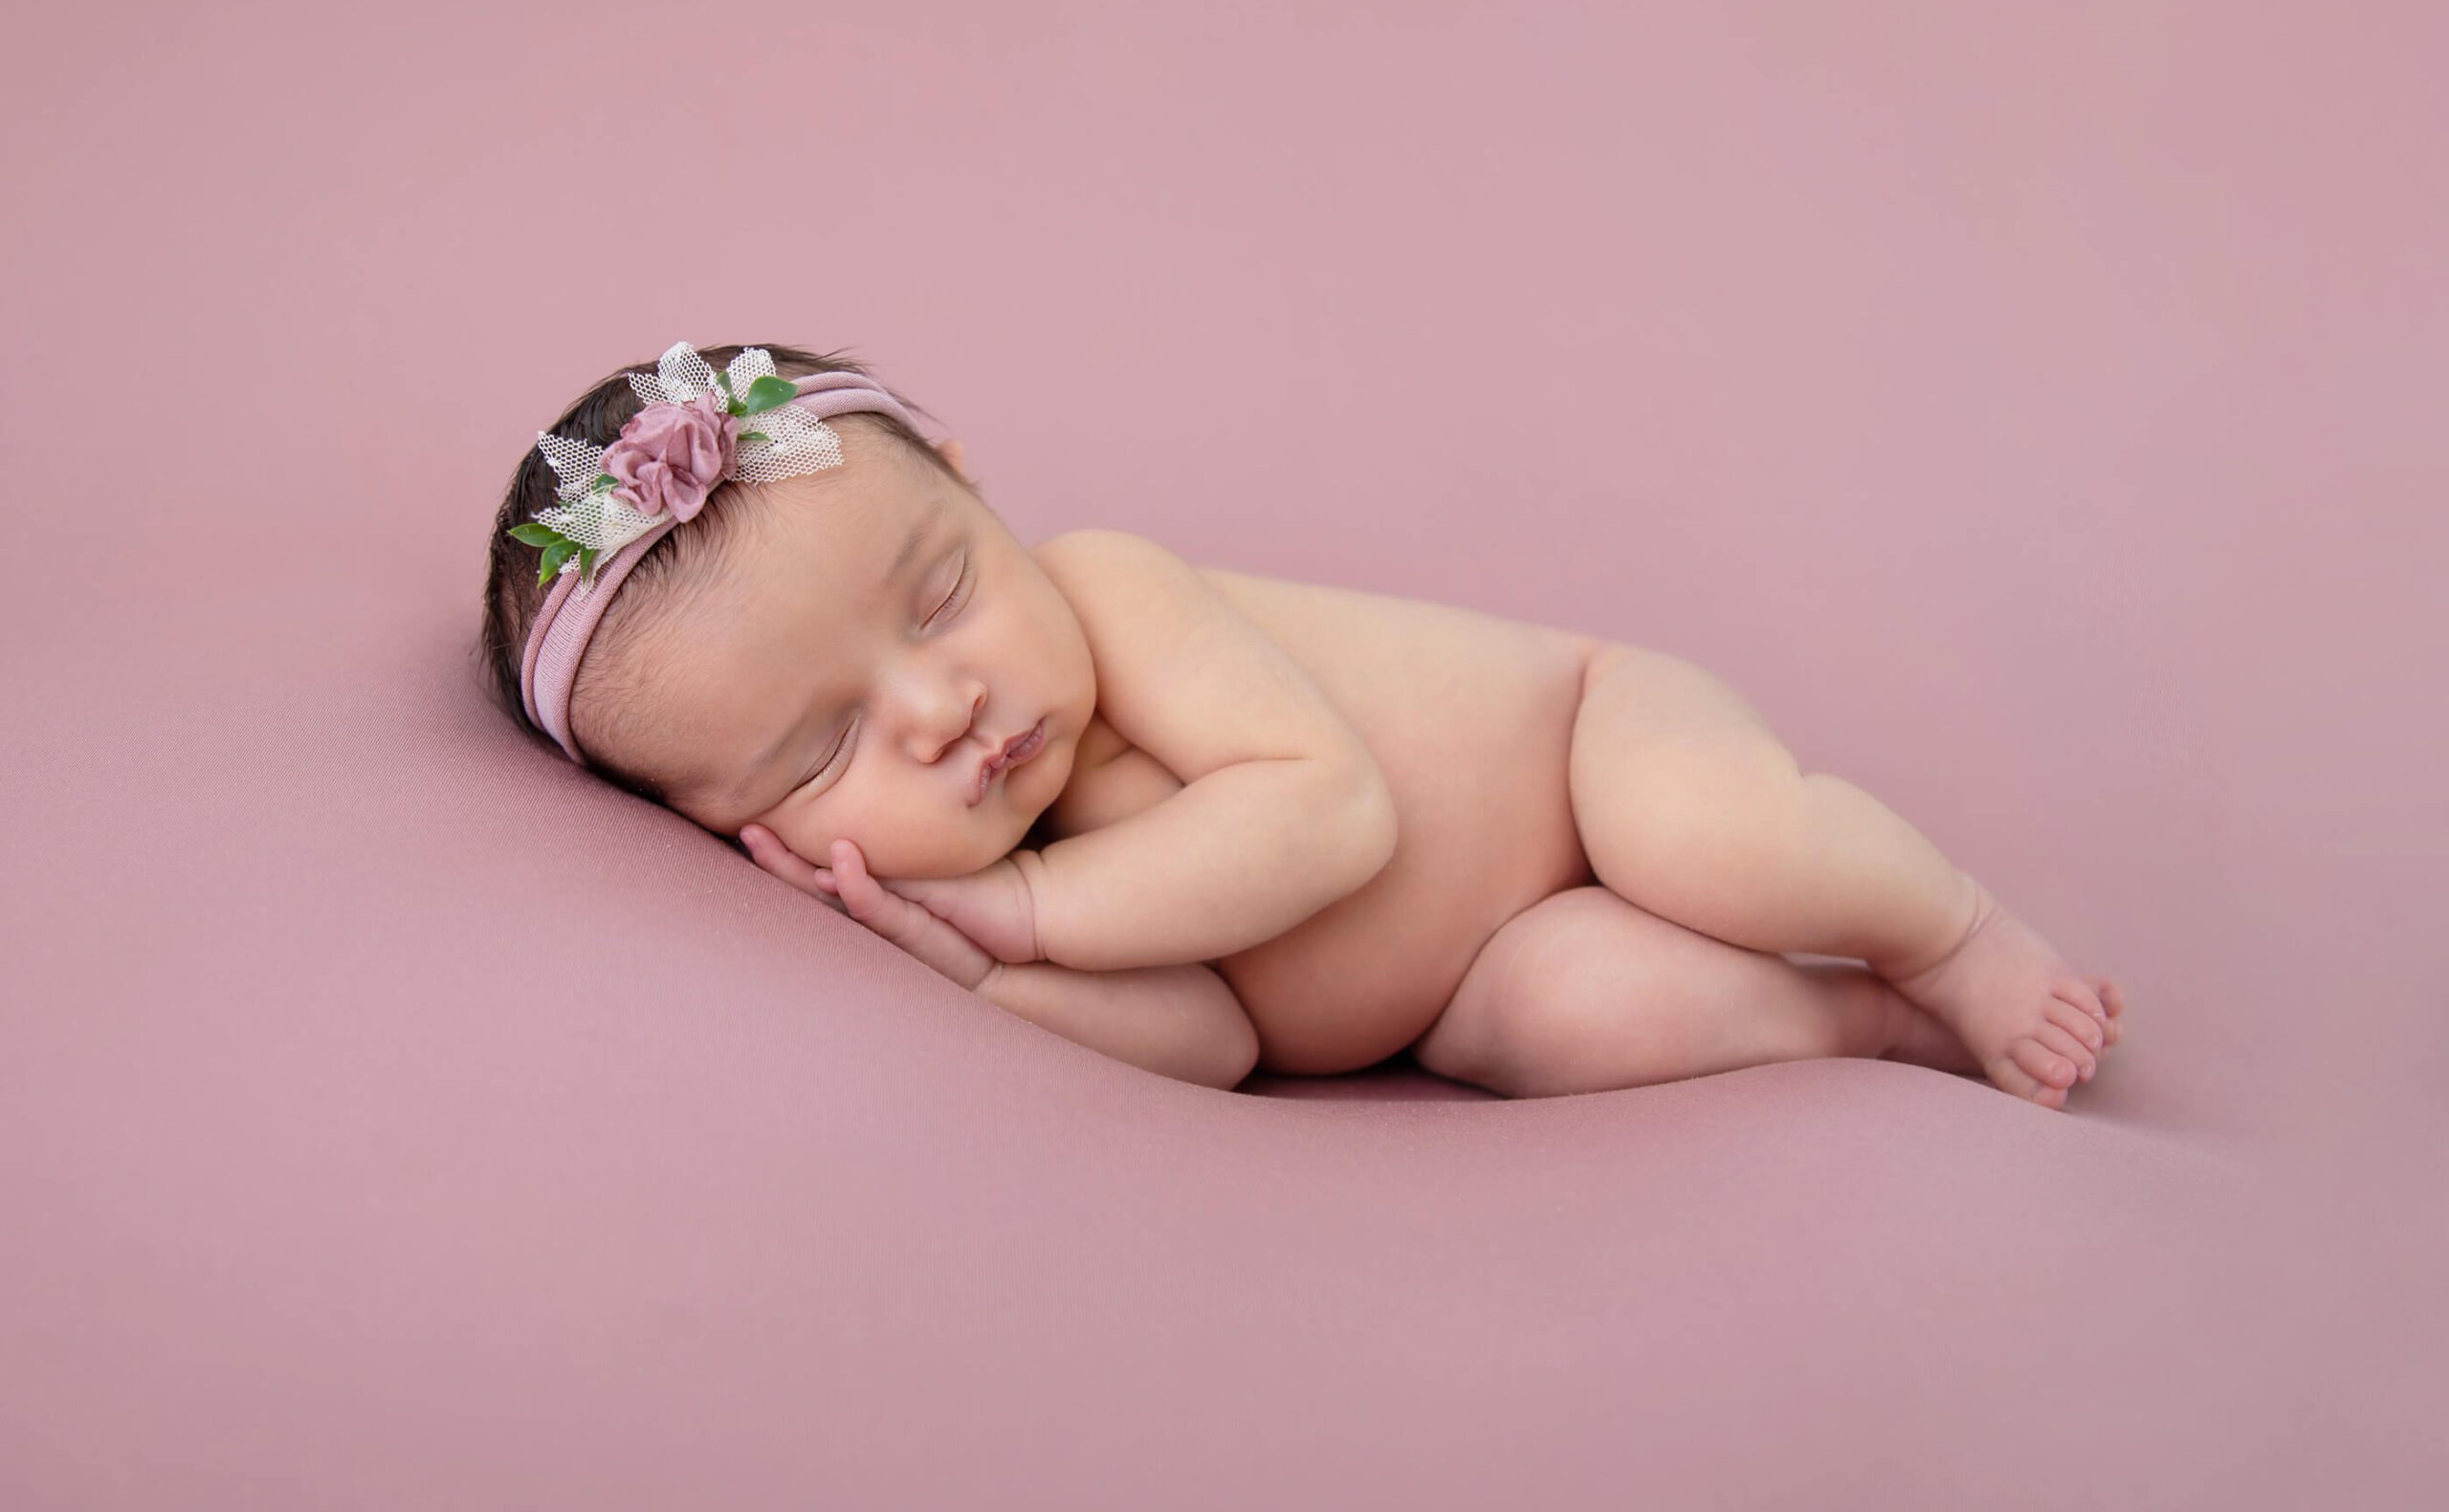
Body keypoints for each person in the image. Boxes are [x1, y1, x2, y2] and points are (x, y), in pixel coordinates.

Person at [476, 340, 2125, 1101]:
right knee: (1576, 1025)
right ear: (724, 833)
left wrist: (1032, 908)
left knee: (1707, 837)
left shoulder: (1109, 596)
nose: (943, 705)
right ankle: (1874, 1033)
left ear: (979, 489)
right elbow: (1223, 1040)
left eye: (938, 597)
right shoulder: (979, 882)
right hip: (1466, 978)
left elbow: (1330, 814)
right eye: (821, 751)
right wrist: (983, 972)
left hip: (1583, 745)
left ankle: (1953, 934)